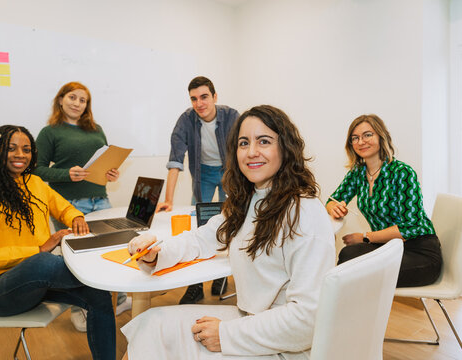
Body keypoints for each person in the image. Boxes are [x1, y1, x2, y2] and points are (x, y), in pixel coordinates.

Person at [121, 105, 335, 360]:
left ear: (286, 148)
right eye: (243, 143)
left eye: (264, 141)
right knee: (150, 324)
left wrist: (226, 335)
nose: (251, 152)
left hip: (284, 345)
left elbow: (307, 321)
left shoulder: (305, 212)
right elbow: (203, 238)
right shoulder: (249, 200)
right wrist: (157, 254)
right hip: (249, 321)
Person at [0, 125, 115, 360]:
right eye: (12, 148)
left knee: (97, 294)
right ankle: (103, 268)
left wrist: (76, 216)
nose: (21, 154)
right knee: (43, 262)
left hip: (36, 284)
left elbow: (63, 206)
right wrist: (37, 250)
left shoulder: (35, 183)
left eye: (27, 149)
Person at [34, 81, 130, 330]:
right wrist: (67, 174)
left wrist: (112, 173)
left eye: (83, 100)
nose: (77, 103)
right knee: (78, 258)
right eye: (72, 98)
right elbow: (36, 169)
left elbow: (106, 160)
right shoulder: (50, 132)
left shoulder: (96, 129)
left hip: (100, 199)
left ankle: (118, 299)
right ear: (61, 100)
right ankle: (78, 310)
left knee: (111, 251)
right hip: (69, 204)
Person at [326, 114, 442, 287]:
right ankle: (351, 310)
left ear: (381, 137)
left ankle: (347, 310)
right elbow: (332, 200)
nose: (361, 141)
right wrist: (333, 207)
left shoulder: (402, 172)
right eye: (355, 138)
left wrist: (365, 237)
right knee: (347, 254)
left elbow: (409, 228)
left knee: (350, 269)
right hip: (388, 248)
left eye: (367, 135)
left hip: (419, 253)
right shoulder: (358, 173)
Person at [156, 76, 240, 304]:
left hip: (228, 172)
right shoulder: (185, 120)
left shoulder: (232, 116)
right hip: (202, 173)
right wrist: (168, 200)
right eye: (194, 98)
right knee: (199, 227)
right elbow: (175, 160)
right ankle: (195, 286)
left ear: (214, 97)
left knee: (229, 223)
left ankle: (221, 276)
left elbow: (243, 152)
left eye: (204, 97)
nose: (199, 103)